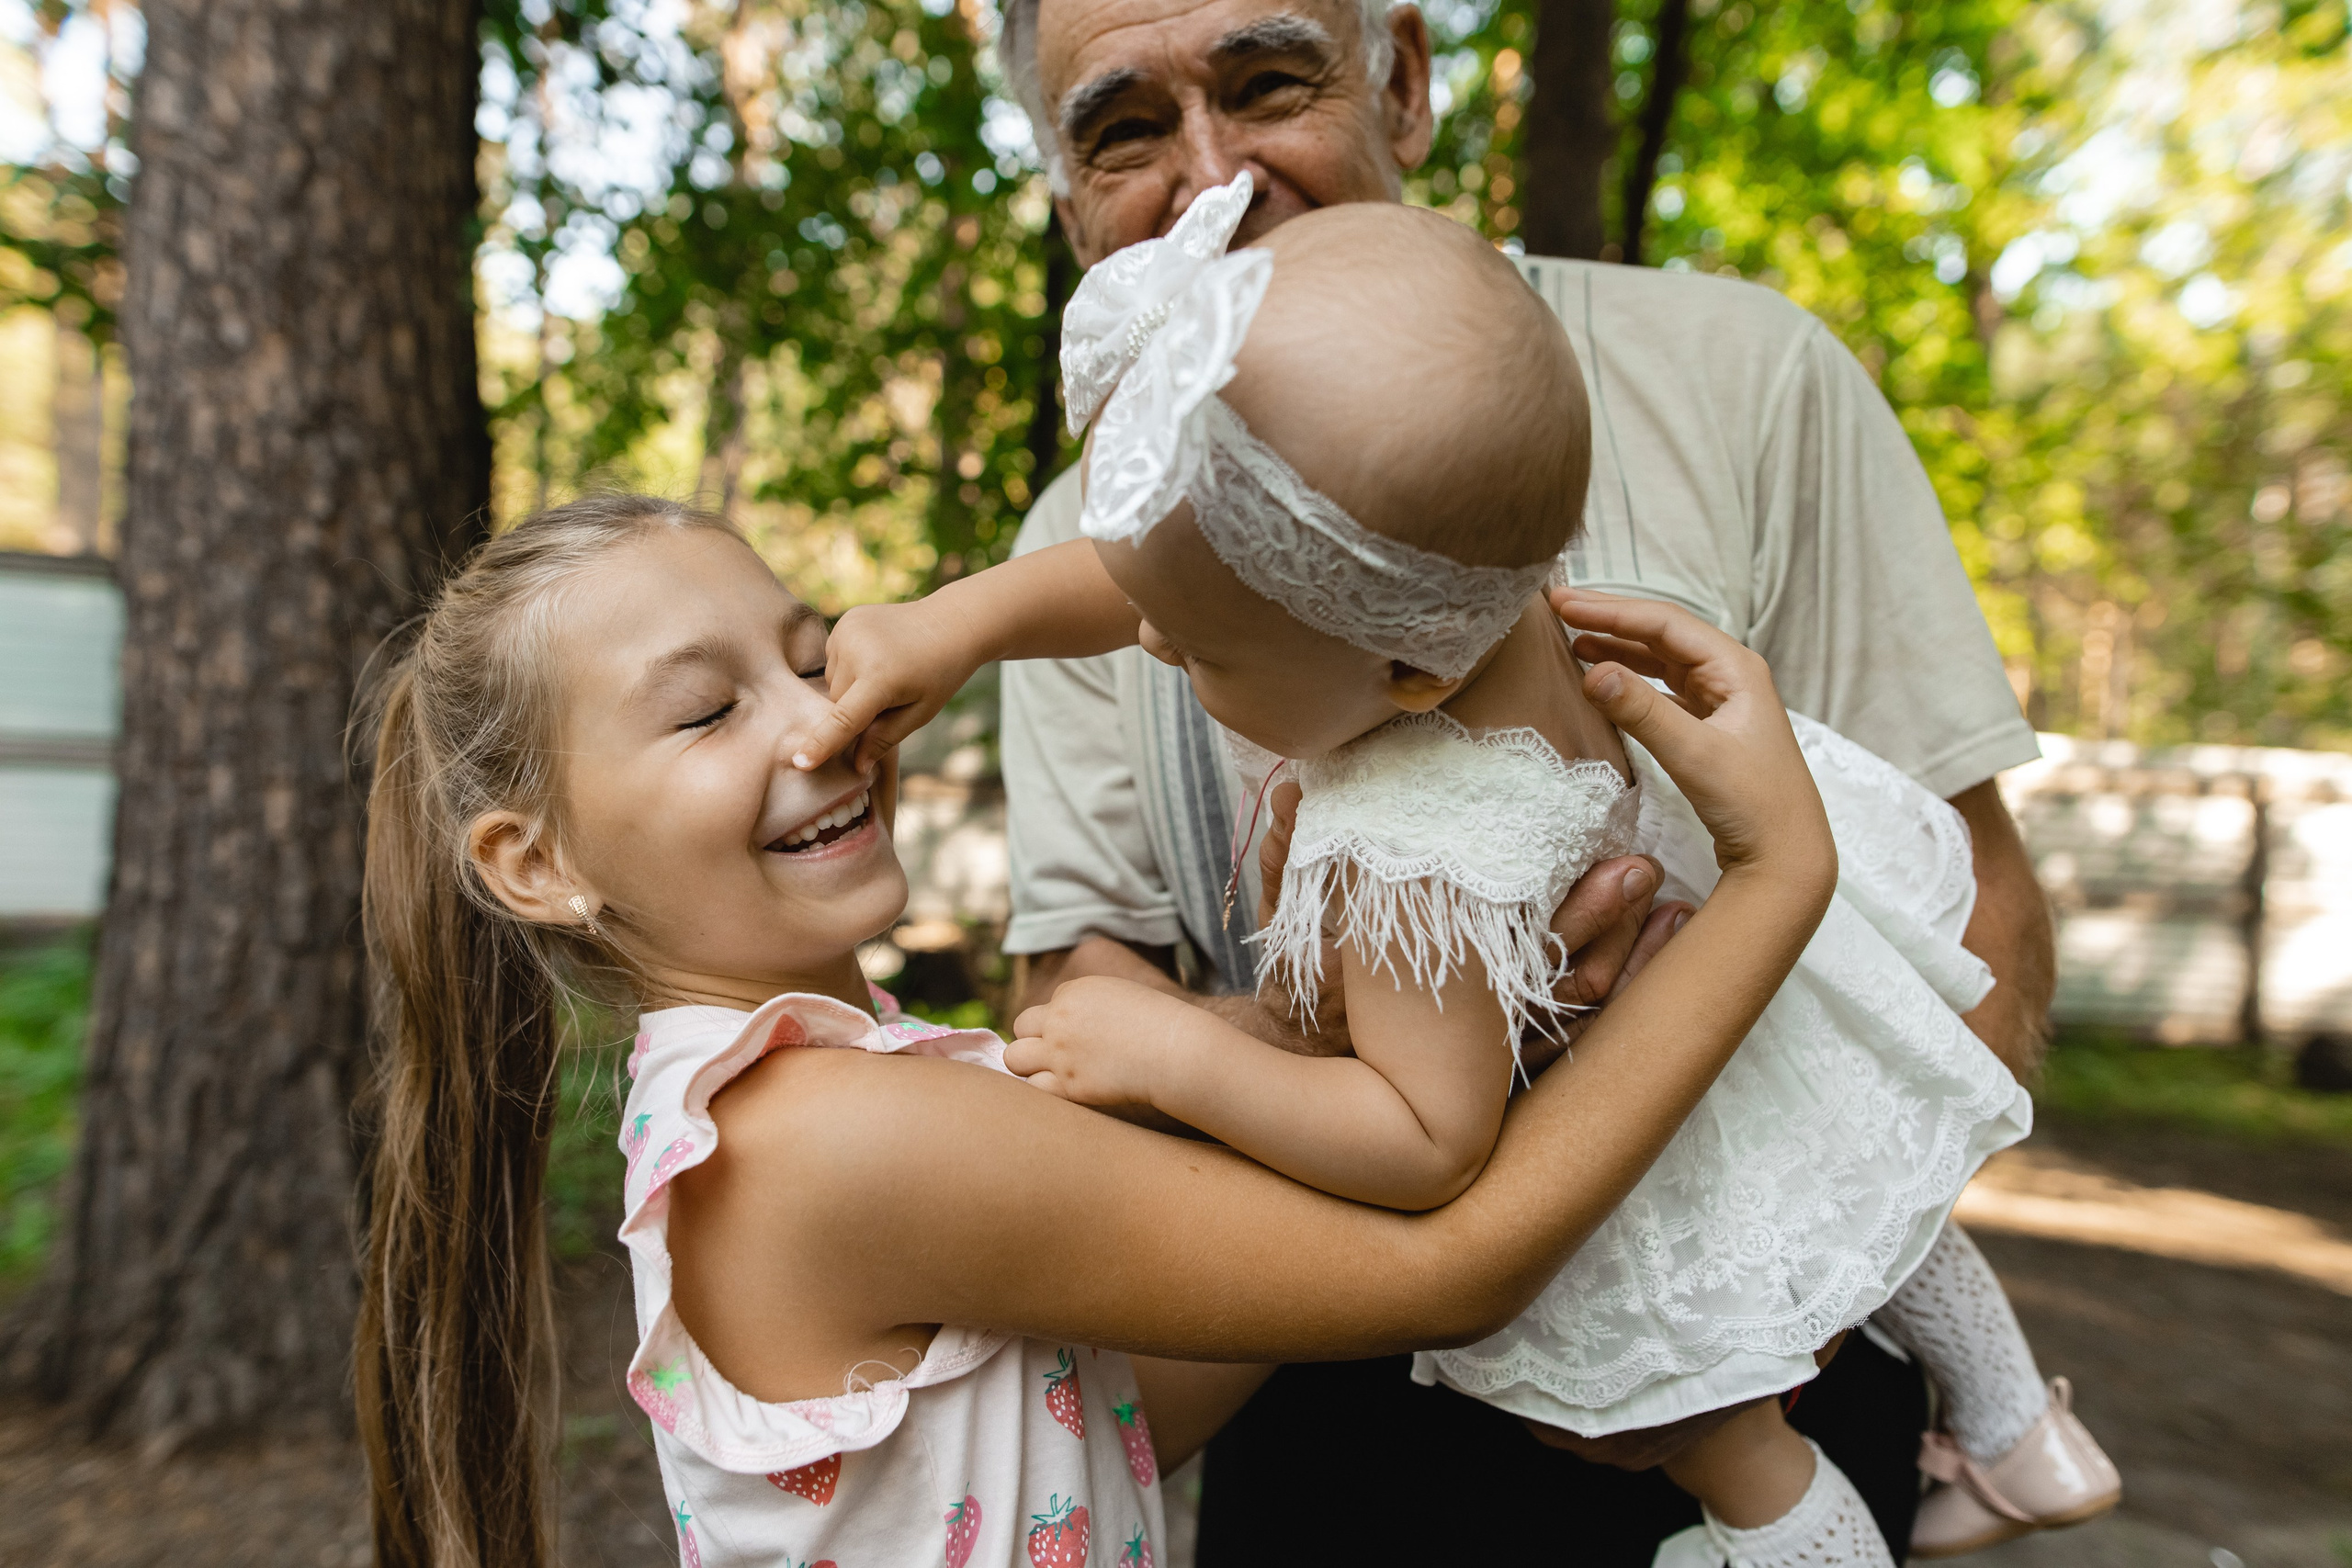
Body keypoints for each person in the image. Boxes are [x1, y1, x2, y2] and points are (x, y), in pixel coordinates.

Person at [797, 185, 2120, 1565]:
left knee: (1727, 1426)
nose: (1159, 650)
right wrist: (957, 625)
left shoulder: (1405, 855)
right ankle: (2024, 1430)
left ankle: (1807, 1540)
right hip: (1763, 1041)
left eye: (1198, 655)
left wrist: (1174, 1053)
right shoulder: (1491, 591)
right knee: (1861, 1182)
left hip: (1625, 1153)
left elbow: (1425, 1143)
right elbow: (1162, 575)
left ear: (1404, 670)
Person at [351, 494, 1841, 1568]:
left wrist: (1350, 1037)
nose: (817, 725)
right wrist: (1778, 879)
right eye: (702, 714)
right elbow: (1450, 1271)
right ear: (536, 865)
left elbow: (1111, 1415)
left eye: (809, 660)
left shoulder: (825, 1084)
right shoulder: (821, 1141)